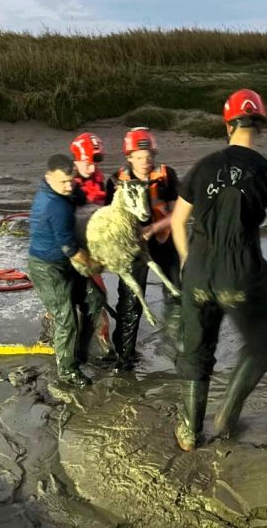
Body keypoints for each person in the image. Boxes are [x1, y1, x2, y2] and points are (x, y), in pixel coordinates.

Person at [170, 89, 267, 451]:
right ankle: (226, 416)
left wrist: (186, 260)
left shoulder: (204, 165)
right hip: (239, 272)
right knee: (260, 346)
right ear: (261, 125)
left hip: (198, 270)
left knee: (197, 352)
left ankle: (189, 432)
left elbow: (178, 220)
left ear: (227, 124)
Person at [105, 127, 182, 371]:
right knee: (130, 302)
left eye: (148, 156)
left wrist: (154, 227)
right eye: (139, 156)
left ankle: (176, 348)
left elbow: (179, 212)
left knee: (176, 295)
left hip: (163, 241)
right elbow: (108, 217)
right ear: (129, 157)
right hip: (133, 248)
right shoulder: (116, 181)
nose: (145, 161)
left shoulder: (167, 175)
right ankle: (124, 357)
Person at [27, 154, 102, 387]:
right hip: (48, 268)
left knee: (95, 299)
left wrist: (78, 192)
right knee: (66, 318)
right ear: (49, 177)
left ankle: (79, 353)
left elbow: (80, 196)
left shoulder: (66, 191)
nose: (69, 187)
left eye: (71, 181)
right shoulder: (53, 205)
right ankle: (67, 370)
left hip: (66, 264)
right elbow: (70, 248)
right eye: (63, 183)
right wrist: (94, 264)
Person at [68, 132, 115, 361]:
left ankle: (104, 340)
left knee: (99, 295)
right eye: (86, 160)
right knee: (67, 297)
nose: (91, 165)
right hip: (70, 251)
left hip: (92, 250)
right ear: (76, 160)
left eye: (95, 160)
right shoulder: (67, 185)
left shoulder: (102, 182)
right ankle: (52, 326)